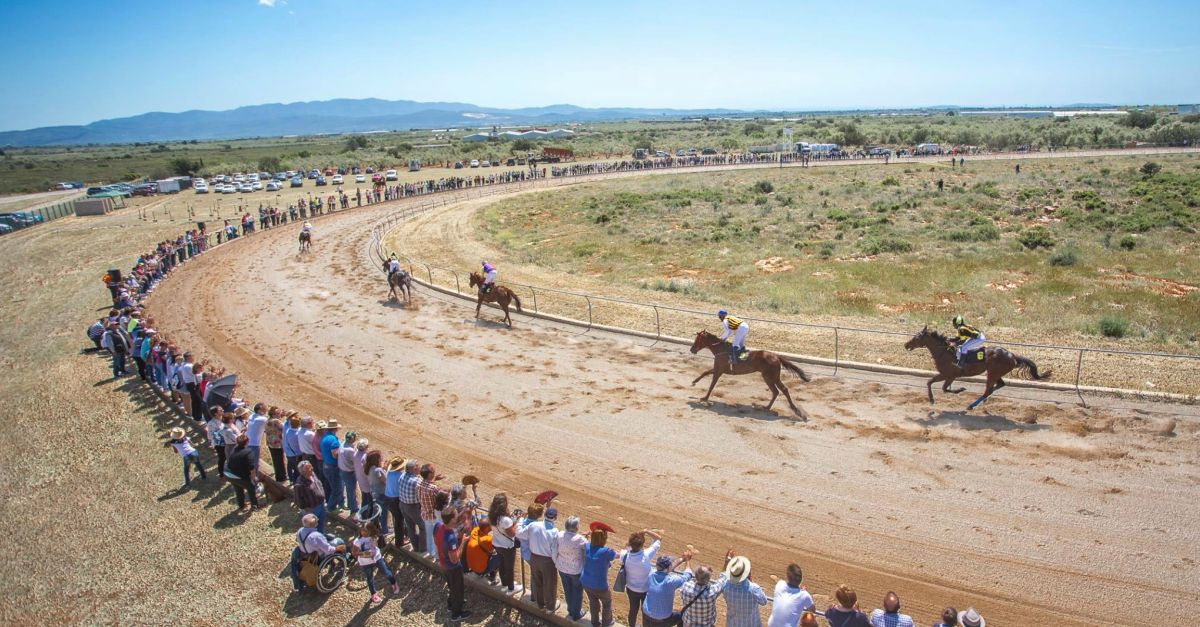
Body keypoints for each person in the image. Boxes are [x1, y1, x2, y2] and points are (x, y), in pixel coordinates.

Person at [517, 503, 561, 611]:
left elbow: (519, 533)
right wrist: (555, 563)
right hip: (547, 560)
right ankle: (550, 607)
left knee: (538, 582)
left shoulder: (533, 525)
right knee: (549, 584)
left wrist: (520, 521)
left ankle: (540, 605)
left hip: (534, 558)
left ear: (544, 515)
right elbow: (554, 550)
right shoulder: (555, 531)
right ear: (555, 518)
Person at [433, 505, 473, 622]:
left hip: (443, 563)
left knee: (452, 586)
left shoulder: (438, 525)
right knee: (458, 590)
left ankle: (451, 604)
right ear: (451, 519)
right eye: (456, 515)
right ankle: (456, 614)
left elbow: (436, 541)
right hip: (453, 568)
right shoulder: (450, 538)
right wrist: (463, 542)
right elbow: (454, 559)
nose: (457, 516)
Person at [290, 513, 344, 591]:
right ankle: (344, 560)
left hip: (305, 554)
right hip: (318, 557)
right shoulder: (316, 536)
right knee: (339, 541)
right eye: (316, 521)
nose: (317, 522)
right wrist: (337, 548)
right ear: (313, 524)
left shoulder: (299, 531)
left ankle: (333, 562)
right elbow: (328, 550)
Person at [621, 529, 662, 627]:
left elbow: (626, 547)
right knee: (645, 612)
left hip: (631, 588)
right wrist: (646, 531)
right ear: (642, 544)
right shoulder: (647, 554)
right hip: (645, 590)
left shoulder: (624, 555)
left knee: (633, 610)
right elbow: (659, 539)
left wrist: (632, 540)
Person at [642, 551, 695, 626]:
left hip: (646, 614)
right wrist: (687, 560)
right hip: (662, 620)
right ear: (668, 567)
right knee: (683, 615)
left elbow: (666, 569)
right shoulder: (671, 581)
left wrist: (682, 559)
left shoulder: (650, 573)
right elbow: (688, 575)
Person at [352, 521, 398, 604]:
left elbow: (375, 546)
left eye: (366, 531)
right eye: (362, 530)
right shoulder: (358, 541)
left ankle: (394, 583)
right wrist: (364, 554)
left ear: (371, 530)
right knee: (369, 578)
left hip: (377, 558)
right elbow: (354, 553)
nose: (363, 532)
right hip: (365, 562)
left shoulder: (374, 536)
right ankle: (373, 594)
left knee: (386, 572)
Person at [581, 522, 618, 627]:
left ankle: (595, 622)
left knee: (593, 602)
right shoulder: (606, 551)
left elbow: (585, 541)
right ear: (604, 539)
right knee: (606, 603)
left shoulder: (587, 546)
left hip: (586, 582)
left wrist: (588, 535)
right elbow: (618, 555)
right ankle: (606, 623)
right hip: (600, 585)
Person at [680, 557, 732, 627]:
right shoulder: (712, 591)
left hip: (688, 624)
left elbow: (688, 574)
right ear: (709, 578)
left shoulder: (686, 587)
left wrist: (687, 560)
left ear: (695, 576)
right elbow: (723, 578)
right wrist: (727, 561)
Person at [555, 515, 589, 621]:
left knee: (567, 589)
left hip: (562, 568)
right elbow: (587, 550)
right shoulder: (581, 540)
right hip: (575, 570)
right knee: (577, 591)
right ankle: (576, 614)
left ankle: (570, 609)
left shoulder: (559, 534)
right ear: (576, 527)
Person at [488, 495, 522, 594]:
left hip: (497, 544)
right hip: (507, 547)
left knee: (501, 565)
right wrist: (517, 522)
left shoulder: (491, 516)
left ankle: (504, 584)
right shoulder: (505, 520)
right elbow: (512, 534)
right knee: (509, 568)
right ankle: (511, 588)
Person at [722, 555, 769, 627]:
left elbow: (722, 577)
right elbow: (764, 602)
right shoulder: (754, 589)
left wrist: (727, 562)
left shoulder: (726, 586)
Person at [224, 434, 263, 512]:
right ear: (247, 442)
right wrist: (254, 477)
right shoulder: (248, 452)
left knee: (238, 489)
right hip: (237, 475)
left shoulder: (234, 449)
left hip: (227, 473)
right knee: (251, 488)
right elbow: (251, 467)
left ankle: (241, 506)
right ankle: (255, 506)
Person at [397, 459, 424, 554]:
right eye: (418, 466)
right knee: (423, 526)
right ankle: (422, 548)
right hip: (413, 507)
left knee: (410, 526)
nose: (420, 468)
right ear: (414, 469)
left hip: (402, 504)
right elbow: (422, 494)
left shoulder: (402, 476)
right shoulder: (417, 481)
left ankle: (415, 547)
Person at [418, 463, 444, 555]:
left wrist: (434, 479)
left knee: (429, 535)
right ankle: (436, 555)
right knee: (436, 536)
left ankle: (430, 552)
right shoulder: (433, 488)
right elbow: (443, 497)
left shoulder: (420, 483)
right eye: (433, 471)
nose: (434, 472)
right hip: (434, 517)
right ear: (429, 474)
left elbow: (427, 484)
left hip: (425, 514)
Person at [294, 460, 327, 533]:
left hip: (321, 505)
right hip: (312, 509)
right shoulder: (299, 484)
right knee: (312, 527)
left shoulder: (312, 474)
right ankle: (313, 538)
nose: (312, 468)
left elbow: (319, 484)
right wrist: (307, 510)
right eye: (309, 468)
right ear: (303, 472)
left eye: (311, 466)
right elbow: (298, 500)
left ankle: (320, 535)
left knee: (320, 523)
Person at [319, 419, 344, 511]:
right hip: (333, 467)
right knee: (337, 489)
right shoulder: (334, 440)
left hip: (326, 464)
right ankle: (331, 507)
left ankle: (341, 503)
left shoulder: (324, 437)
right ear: (335, 429)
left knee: (335, 486)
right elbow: (335, 455)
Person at [338, 431, 359, 515]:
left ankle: (349, 505)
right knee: (351, 491)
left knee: (347, 489)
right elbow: (356, 461)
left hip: (342, 470)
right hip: (349, 472)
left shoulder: (342, 444)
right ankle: (353, 509)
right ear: (352, 439)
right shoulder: (350, 450)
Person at [265, 407, 286, 483]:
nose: (280, 414)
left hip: (271, 443)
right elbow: (285, 428)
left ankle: (279, 476)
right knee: (280, 460)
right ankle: (282, 477)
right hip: (277, 444)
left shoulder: (269, 419)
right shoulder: (276, 421)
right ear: (273, 414)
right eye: (278, 413)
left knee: (276, 460)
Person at [282, 413, 302, 484]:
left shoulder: (288, 430)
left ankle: (291, 480)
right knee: (298, 470)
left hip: (289, 452)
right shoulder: (297, 434)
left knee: (291, 466)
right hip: (296, 455)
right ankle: (296, 483)